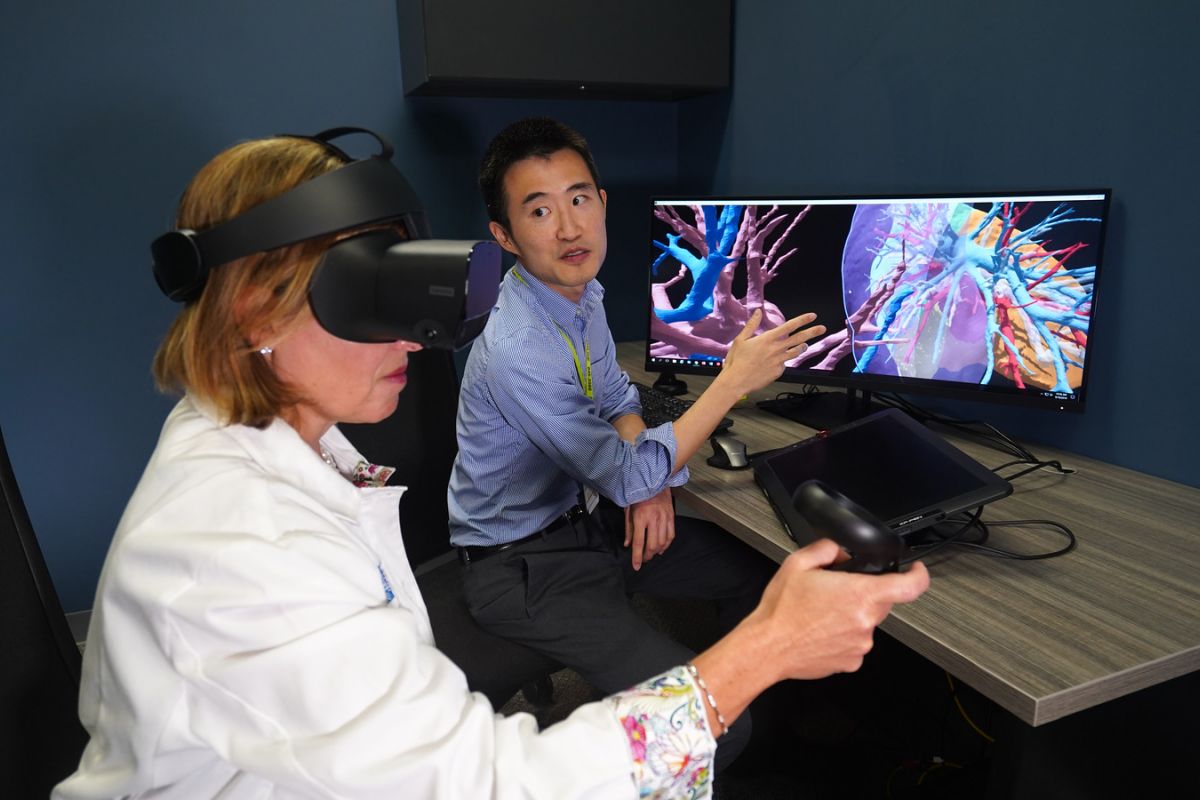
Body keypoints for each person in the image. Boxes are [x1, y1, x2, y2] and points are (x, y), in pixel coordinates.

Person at [54, 129, 930, 800]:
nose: (410, 336)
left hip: (569, 537)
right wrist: (766, 651)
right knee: (725, 705)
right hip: (520, 568)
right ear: (253, 309)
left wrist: (643, 463)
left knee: (738, 567)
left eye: (404, 291)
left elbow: (611, 400)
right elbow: (493, 786)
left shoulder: (266, 437)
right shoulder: (238, 550)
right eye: (364, 298)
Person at [447, 117, 810, 770]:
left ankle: (756, 736)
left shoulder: (577, 298)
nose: (569, 227)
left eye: (579, 199)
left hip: (587, 525)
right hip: (522, 569)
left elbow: (619, 400)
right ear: (503, 235)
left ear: (602, 203)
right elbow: (622, 470)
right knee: (712, 729)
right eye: (539, 210)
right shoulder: (517, 347)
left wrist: (653, 490)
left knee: (763, 573)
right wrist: (730, 384)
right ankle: (719, 736)